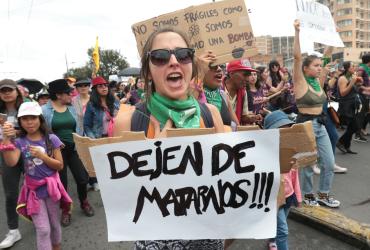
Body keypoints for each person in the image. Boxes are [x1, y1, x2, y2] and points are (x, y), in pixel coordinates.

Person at [113, 26, 225, 250]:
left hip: (208, 237)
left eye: (183, 55)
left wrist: (268, 169)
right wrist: (152, 159)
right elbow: (121, 199)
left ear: (192, 65)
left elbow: (227, 181)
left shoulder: (210, 114)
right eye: (160, 57)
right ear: (147, 72)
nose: (174, 61)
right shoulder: (129, 121)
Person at [1, 102, 72, 250]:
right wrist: (6, 139)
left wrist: (42, 156)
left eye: (33, 117)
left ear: (40, 119)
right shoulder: (20, 142)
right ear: (19, 121)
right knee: (43, 229)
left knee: (54, 224)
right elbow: (11, 161)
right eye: (24, 118)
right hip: (34, 193)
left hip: (52, 190)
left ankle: (56, 247)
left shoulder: (51, 139)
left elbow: (59, 165)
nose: (29, 122)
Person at [293, 20, 339, 208]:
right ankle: (308, 195)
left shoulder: (317, 83)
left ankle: (323, 194)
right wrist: (296, 32)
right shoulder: (300, 82)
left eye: (321, 65)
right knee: (307, 165)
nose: (320, 68)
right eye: (316, 65)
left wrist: (333, 37)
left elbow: (327, 57)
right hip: (305, 126)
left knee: (329, 162)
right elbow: (297, 58)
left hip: (320, 125)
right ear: (306, 68)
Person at [42, 79, 94, 227]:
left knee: (82, 178)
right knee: (62, 183)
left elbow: (79, 128)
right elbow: (43, 132)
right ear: (59, 95)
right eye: (68, 93)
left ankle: (84, 202)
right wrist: (54, 141)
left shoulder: (72, 108)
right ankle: (66, 209)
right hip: (57, 151)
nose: (72, 95)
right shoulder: (45, 111)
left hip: (74, 148)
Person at [264, 110, 302, 250]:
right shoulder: (265, 153)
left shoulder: (292, 152)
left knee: (280, 224)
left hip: (288, 195)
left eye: (287, 129)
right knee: (283, 231)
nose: (284, 133)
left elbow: (294, 177)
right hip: (274, 199)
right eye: (280, 130)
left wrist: (297, 197)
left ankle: (272, 240)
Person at [0, 79, 23, 248]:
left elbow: (40, 127)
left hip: (28, 150)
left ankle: (42, 220)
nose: (7, 93)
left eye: (10, 90)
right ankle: (13, 230)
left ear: (17, 91)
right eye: (3, 91)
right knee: (10, 194)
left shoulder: (27, 107)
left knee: (37, 188)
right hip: (6, 153)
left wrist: (15, 131)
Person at [336, 61, 363, 154]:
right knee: (354, 126)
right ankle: (340, 142)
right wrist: (352, 83)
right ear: (347, 68)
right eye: (353, 66)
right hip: (346, 106)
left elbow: (353, 91)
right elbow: (343, 93)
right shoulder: (342, 78)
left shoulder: (351, 77)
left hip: (353, 105)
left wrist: (358, 84)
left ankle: (346, 146)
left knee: (353, 126)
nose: (355, 67)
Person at [223, 59, 261, 125]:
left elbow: (243, 116)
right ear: (231, 74)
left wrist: (251, 118)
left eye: (249, 75)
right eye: (245, 75)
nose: (247, 79)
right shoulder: (216, 91)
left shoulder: (243, 93)